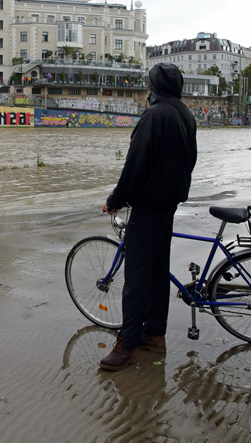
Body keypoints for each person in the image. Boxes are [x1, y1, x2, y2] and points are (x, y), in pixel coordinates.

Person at [99, 62, 198, 371]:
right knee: (157, 274)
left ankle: (127, 344)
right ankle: (154, 336)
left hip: (149, 205)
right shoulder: (184, 113)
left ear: (153, 87)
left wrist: (116, 200)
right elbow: (190, 159)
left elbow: (136, 165)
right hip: (168, 204)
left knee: (137, 278)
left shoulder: (154, 115)